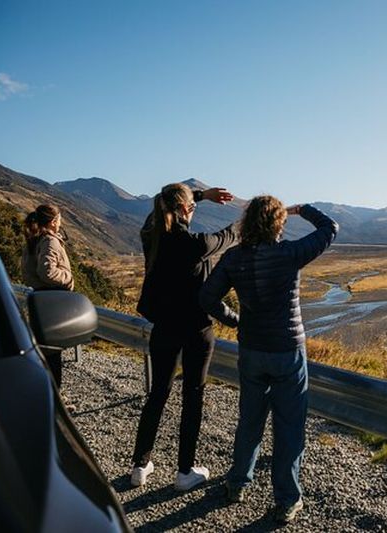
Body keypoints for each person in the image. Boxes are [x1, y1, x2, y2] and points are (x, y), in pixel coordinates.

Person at [199, 196, 338, 524]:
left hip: (252, 350)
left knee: (250, 420)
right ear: (278, 223)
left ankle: (237, 483)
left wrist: (235, 320)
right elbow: (330, 227)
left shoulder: (234, 258)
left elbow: (206, 296)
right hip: (287, 350)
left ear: (248, 222)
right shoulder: (289, 254)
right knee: (289, 427)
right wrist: (302, 209)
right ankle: (287, 500)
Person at [130, 183, 238, 491]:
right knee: (193, 395)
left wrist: (199, 196)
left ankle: (140, 466)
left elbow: (162, 200)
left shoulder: (151, 235)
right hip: (197, 330)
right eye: (191, 206)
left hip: (164, 327)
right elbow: (227, 238)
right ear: (184, 210)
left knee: (158, 394)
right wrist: (241, 225)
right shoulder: (195, 243)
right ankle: (185, 471)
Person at [21, 204, 74, 388]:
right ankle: (55, 401)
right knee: (53, 355)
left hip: (39, 300)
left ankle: (48, 396)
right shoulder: (49, 241)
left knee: (45, 354)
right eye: (59, 219)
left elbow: (28, 272)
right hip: (52, 302)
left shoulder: (33, 239)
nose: (60, 223)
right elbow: (47, 272)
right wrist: (68, 278)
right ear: (53, 222)